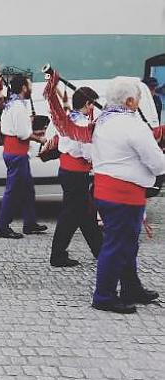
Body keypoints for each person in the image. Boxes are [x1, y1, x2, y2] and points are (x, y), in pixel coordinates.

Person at [90, 77, 165, 314]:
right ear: (130, 101)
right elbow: (157, 163)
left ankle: (131, 287)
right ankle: (104, 295)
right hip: (124, 194)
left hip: (108, 190)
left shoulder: (104, 121)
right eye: (139, 98)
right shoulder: (132, 125)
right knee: (117, 245)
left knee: (126, 244)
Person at [44, 83, 103, 267]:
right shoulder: (83, 123)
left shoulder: (68, 118)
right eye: (92, 104)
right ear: (87, 103)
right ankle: (58, 255)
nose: (93, 108)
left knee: (83, 213)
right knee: (72, 215)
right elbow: (87, 153)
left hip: (67, 170)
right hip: (77, 172)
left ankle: (100, 250)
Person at [0, 74, 49, 239]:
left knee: (27, 189)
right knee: (12, 192)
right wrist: (40, 137)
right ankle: (3, 227)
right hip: (17, 153)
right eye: (30, 85)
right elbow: (23, 134)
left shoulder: (11, 105)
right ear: (24, 87)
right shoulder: (18, 107)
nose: (31, 88)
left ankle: (30, 223)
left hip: (14, 151)